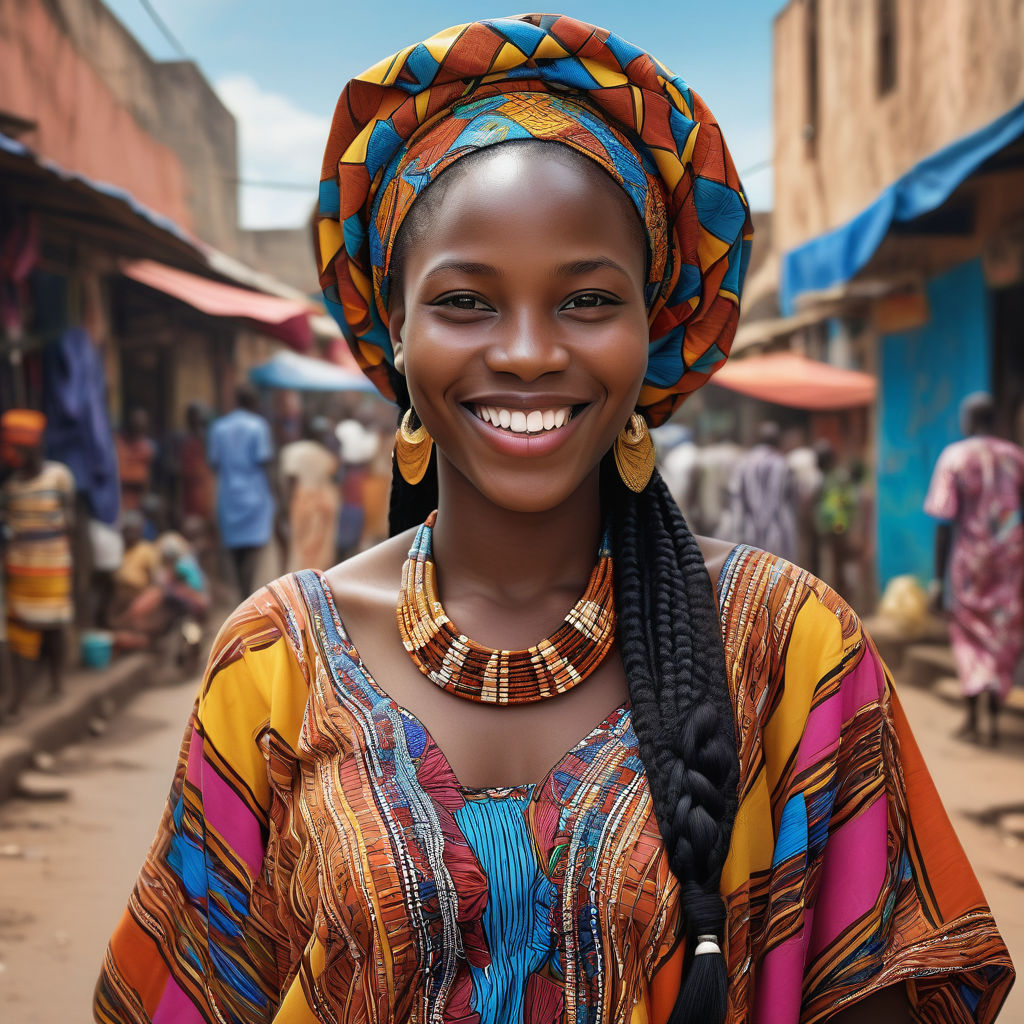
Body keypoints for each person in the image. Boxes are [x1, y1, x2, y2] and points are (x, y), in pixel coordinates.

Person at [94, 17, 1013, 1024]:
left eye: (584, 299)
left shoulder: (788, 649)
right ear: (392, 330)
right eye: (465, 301)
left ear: (653, 331)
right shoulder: (276, 659)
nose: (528, 351)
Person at [925, 392, 1024, 746]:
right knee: (1002, 637)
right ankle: (995, 719)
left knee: (967, 637)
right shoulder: (1016, 456)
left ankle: (972, 719)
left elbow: (942, 521)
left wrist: (937, 580)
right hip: (1010, 563)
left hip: (970, 565)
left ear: (969, 419)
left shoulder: (954, 456)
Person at [0, 410, 75, 713]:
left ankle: (56, 682)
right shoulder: (10, 487)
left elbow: (72, 522)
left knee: (53, 626)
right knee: (20, 632)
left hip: (53, 567)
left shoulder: (58, 476)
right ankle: (19, 695)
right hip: (20, 569)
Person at [207, 384, 276, 599]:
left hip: (229, 496)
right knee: (253, 551)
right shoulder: (258, 426)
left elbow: (214, 463)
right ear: (254, 402)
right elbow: (264, 460)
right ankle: (246, 595)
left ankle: (241, 595)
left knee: (235, 552)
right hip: (255, 495)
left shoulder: (219, 427)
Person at [724, 420, 797, 560]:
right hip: (777, 534)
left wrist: (736, 532)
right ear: (777, 441)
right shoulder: (782, 464)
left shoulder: (745, 462)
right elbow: (790, 501)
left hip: (749, 531)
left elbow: (736, 497)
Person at [279, 415, 341, 572]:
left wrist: (285, 504)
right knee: (317, 545)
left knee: (300, 543)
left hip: (301, 500)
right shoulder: (326, 456)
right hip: (321, 502)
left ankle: (299, 578)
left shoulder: (294, 451)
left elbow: (289, 481)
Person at [114, 407, 156, 516]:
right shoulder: (118, 444)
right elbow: (120, 475)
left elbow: (145, 479)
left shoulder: (147, 448)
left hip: (137, 503)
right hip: (118, 500)